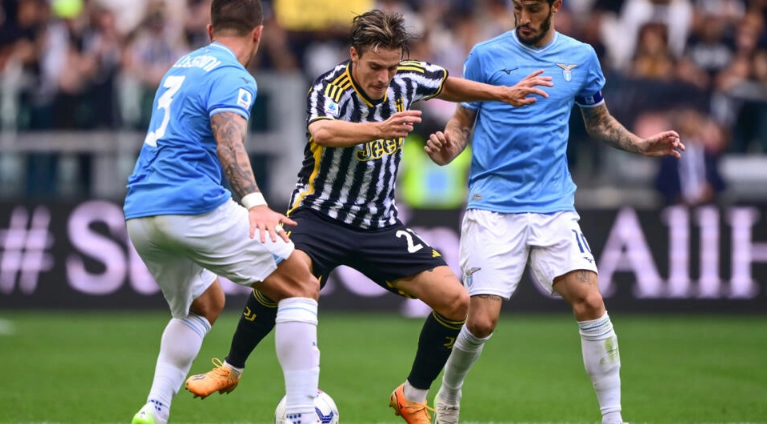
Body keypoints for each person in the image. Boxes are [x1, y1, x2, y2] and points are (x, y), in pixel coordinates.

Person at [183, 9, 552, 424]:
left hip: (379, 224)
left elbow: (447, 84)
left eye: (391, 68)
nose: (384, 78)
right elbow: (322, 131)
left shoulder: (406, 78)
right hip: (318, 216)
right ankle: (231, 368)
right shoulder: (330, 86)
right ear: (354, 54)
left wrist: (504, 94)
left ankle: (412, 396)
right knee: (287, 279)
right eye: (375, 67)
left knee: (456, 301)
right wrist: (380, 129)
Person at [423, 1, 685, 424]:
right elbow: (461, 123)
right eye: (517, 8)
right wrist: (447, 148)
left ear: (555, 6)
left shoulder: (581, 57)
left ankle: (613, 418)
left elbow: (597, 121)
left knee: (591, 300)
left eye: (533, 9)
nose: (523, 18)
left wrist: (640, 145)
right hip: (493, 206)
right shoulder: (485, 55)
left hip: (553, 206)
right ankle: (450, 393)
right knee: (483, 321)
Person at [123, 2, 322, 424]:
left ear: (211, 29)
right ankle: (303, 413)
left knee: (205, 303)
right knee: (301, 283)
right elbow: (228, 143)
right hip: (191, 205)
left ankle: (154, 409)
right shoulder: (233, 75)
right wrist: (256, 204)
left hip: (140, 210)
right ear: (258, 33)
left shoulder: (181, 67)